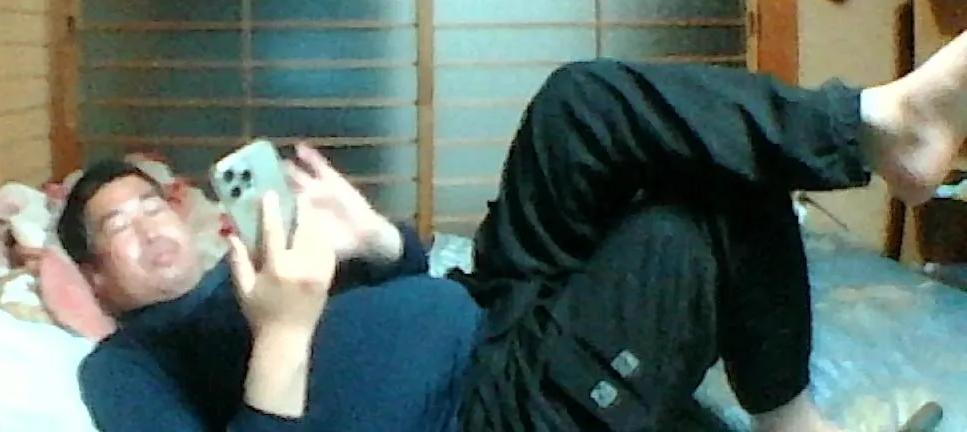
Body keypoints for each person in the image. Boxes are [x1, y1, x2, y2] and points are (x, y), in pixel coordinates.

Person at [56, 30, 967, 432]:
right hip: (493, 412)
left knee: (584, 101)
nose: (145, 226)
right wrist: (283, 334)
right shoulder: (127, 365)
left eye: (151, 203)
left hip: (491, 306)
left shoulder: (259, 257)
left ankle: (877, 126)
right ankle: (794, 426)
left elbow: (411, 282)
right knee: (716, 189)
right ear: (97, 278)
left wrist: (376, 243)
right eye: (114, 228)